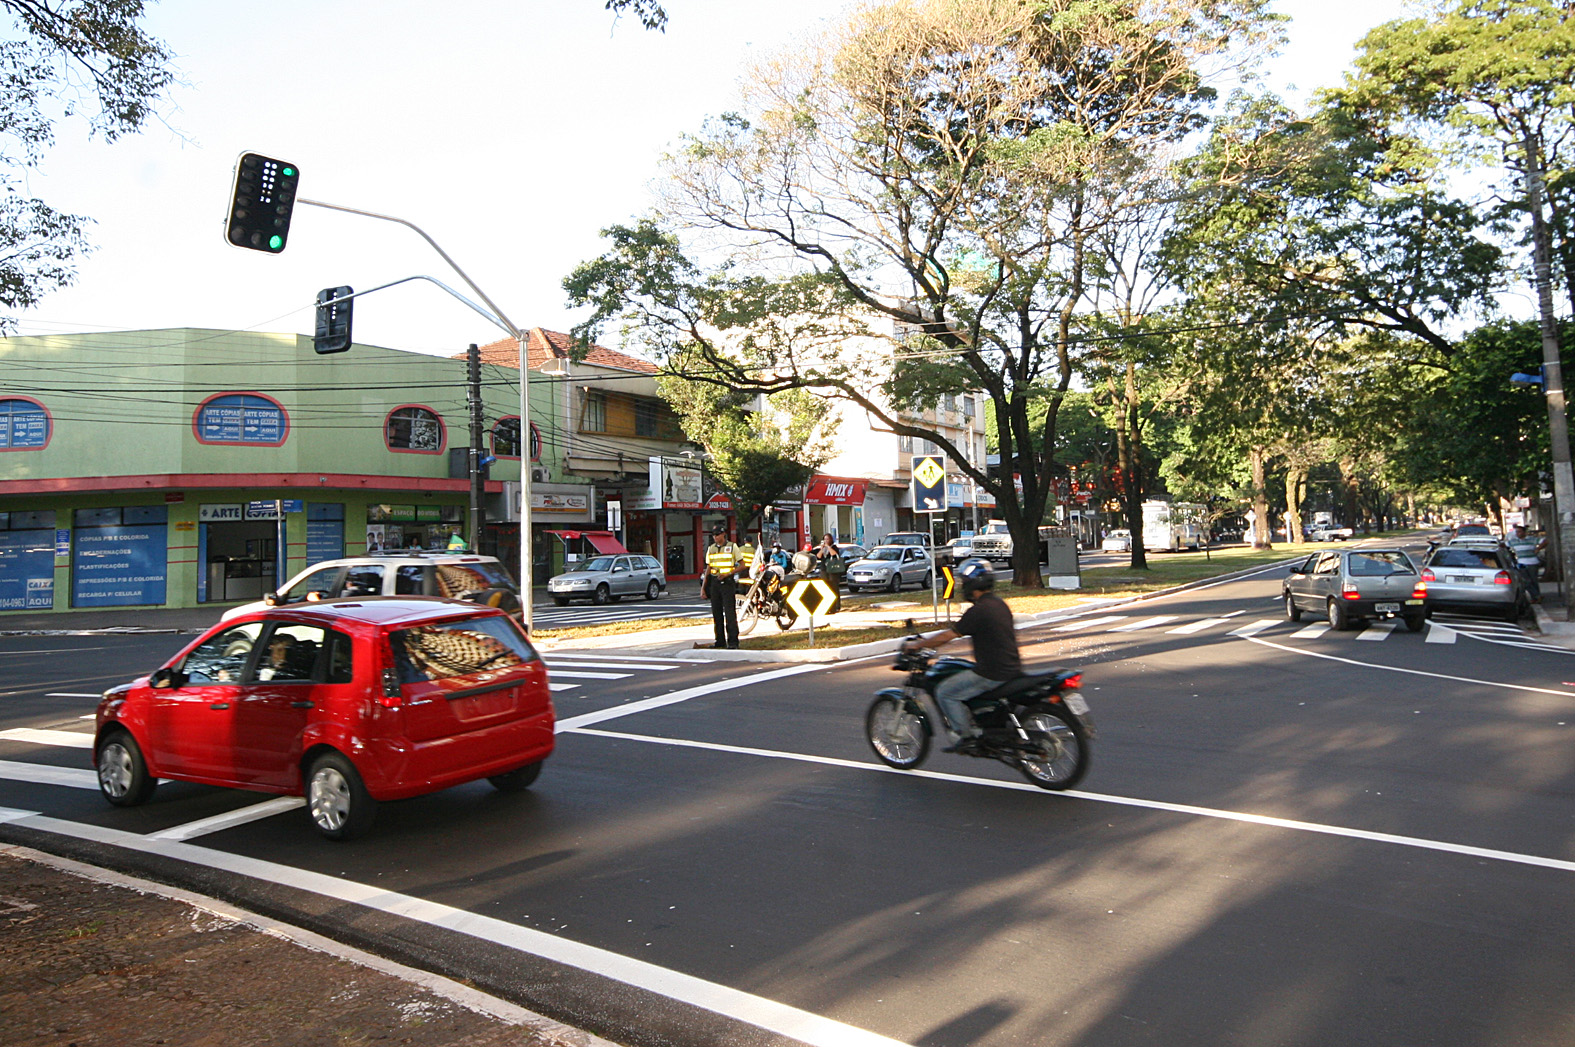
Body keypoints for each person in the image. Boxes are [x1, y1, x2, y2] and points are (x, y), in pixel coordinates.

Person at [901, 559, 1022, 751]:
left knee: (945, 692)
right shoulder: (999, 604)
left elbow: (949, 635)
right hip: (1010, 667)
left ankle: (966, 737)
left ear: (972, 585)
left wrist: (918, 645)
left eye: (965, 582)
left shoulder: (979, 611)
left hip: (991, 673)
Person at [701, 524, 742, 649]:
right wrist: (703, 587)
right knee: (716, 613)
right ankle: (719, 640)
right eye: (713, 535)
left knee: (730, 613)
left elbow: (742, 565)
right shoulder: (711, 548)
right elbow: (708, 568)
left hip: (727, 582)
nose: (715, 537)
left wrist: (728, 574)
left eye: (717, 535)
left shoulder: (732, 546)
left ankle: (733, 641)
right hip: (715, 582)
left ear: (723, 534)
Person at [1506, 524, 1545, 602]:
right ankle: (1537, 595)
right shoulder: (1514, 541)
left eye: (1519, 532)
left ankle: (1535, 598)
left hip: (1533, 562)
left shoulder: (1531, 539)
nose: (1518, 533)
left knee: (1533, 580)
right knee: (1525, 581)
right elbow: (1504, 545)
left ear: (1524, 532)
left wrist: (1538, 549)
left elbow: (1545, 541)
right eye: (1517, 532)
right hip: (1521, 563)